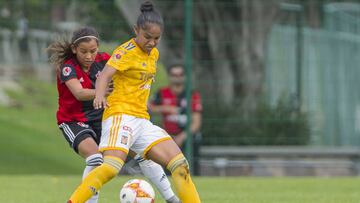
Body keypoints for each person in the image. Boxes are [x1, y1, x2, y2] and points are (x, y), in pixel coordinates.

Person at [67, 1, 201, 203]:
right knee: (111, 168)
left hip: (142, 120)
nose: (152, 42)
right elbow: (104, 75)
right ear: (136, 30)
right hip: (120, 116)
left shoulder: (154, 54)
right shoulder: (126, 51)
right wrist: (99, 95)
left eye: (156, 38)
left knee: (180, 165)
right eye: (147, 37)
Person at [47, 26, 180, 203]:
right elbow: (79, 93)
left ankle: (172, 199)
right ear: (74, 49)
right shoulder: (68, 67)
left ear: (98, 48)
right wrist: (101, 91)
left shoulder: (104, 60)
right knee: (95, 158)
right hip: (74, 121)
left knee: (143, 154)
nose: (89, 56)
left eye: (92, 51)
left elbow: (126, 75)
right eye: (83, 52)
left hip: (102, 118)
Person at [149, 64, 203, 175]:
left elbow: (196, 122)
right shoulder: (162, 93)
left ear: (185, 77)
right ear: (169, 76)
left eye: (180, 75)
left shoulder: (192, 94)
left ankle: (195, 175)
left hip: (187, 136)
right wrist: (164, 108)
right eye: (174, 75)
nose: (177, 77)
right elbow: (148, 106)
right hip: (167, 135)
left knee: (195, 140)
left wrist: (182, 137)